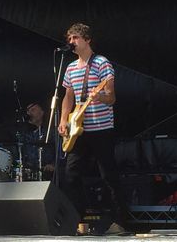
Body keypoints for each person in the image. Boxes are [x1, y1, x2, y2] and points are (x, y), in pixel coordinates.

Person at [58, 23, 127, 234]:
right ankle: (79, 219)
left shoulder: (101, 63)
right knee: (70, 175)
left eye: (76, 38)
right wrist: (63, 120)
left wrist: (100, 96)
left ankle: (120, 221)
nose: (72, 42)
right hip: (78, 129)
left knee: (108, 175)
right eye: (70, 39)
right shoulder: (70, 67)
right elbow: (68, 97)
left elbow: (111, 98)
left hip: (101, 128)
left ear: (87, 40)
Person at [22, 102, 55, 181]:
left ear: (42, 113)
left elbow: (60, 150)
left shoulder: (50, 131)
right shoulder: (24, 133)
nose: (30, 113)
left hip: (47, 172)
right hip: (28, 173)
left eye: (33, 110)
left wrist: (53, 165)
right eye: (28, 111)